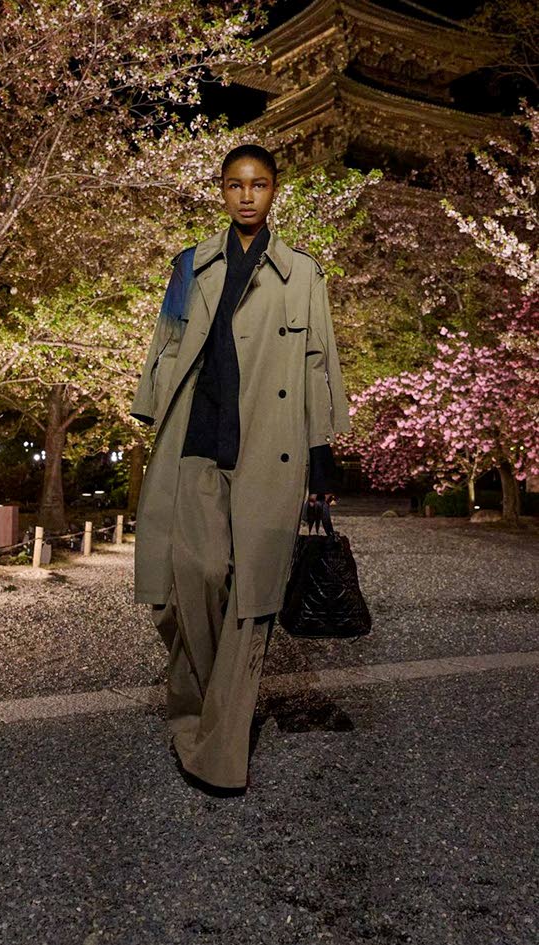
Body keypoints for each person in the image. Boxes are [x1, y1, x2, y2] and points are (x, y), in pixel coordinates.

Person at [130, 144, 351, 795]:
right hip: (194, 440)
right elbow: (167, 341)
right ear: (222, 191)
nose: (247, 195)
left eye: (258, 184)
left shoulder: (303, 273)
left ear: (274, 190)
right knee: (188, 580)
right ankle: (197, 711)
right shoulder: (189, 265)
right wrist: (150, 412)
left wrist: (320, 454)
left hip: (270, 448)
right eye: (235, 184)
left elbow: (318, 363)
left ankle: (219, 753)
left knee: (251, 599)